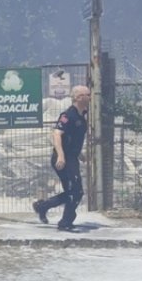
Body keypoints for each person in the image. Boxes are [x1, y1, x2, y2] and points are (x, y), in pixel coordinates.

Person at [34, 85, 91, 231]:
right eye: (87, 95)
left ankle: (42, 206)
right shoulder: (68, 115)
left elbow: (73, 138)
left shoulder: (81, 115)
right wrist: (61, 155)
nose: (90, 98)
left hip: (72, 157)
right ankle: (65, 222)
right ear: (78, 98)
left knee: (72, 192)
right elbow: (57, 134)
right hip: (63, 159)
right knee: (76, 192)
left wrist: (79, 153)